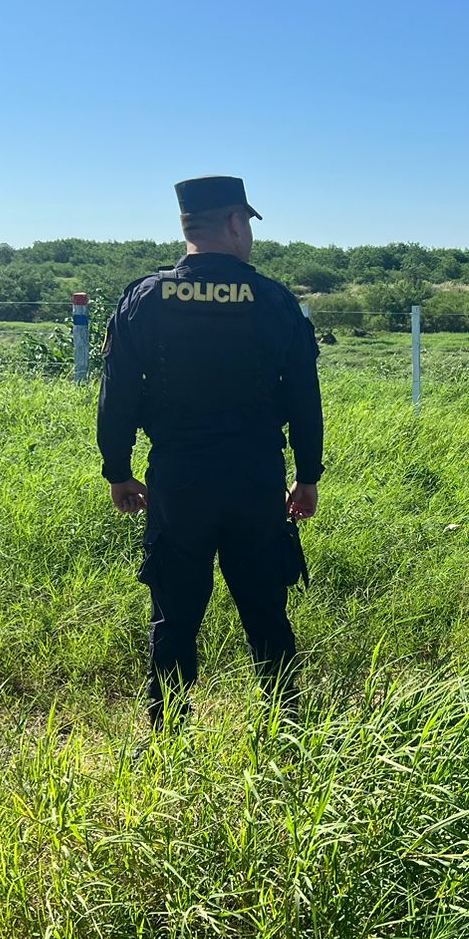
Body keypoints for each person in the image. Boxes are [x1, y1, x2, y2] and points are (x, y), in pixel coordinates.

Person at [97, 175, 324, 726]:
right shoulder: (272, 299)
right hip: (254, 480)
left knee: (174, 615)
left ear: (186, 226)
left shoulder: (146, 298)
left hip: (179, 481)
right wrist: (307, 474)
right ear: (234, 222)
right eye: (247, 224)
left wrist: (119, 470)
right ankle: (287, 729)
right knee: (266, 608)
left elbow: (119, 390)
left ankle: (169, 733)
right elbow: (303, 395)